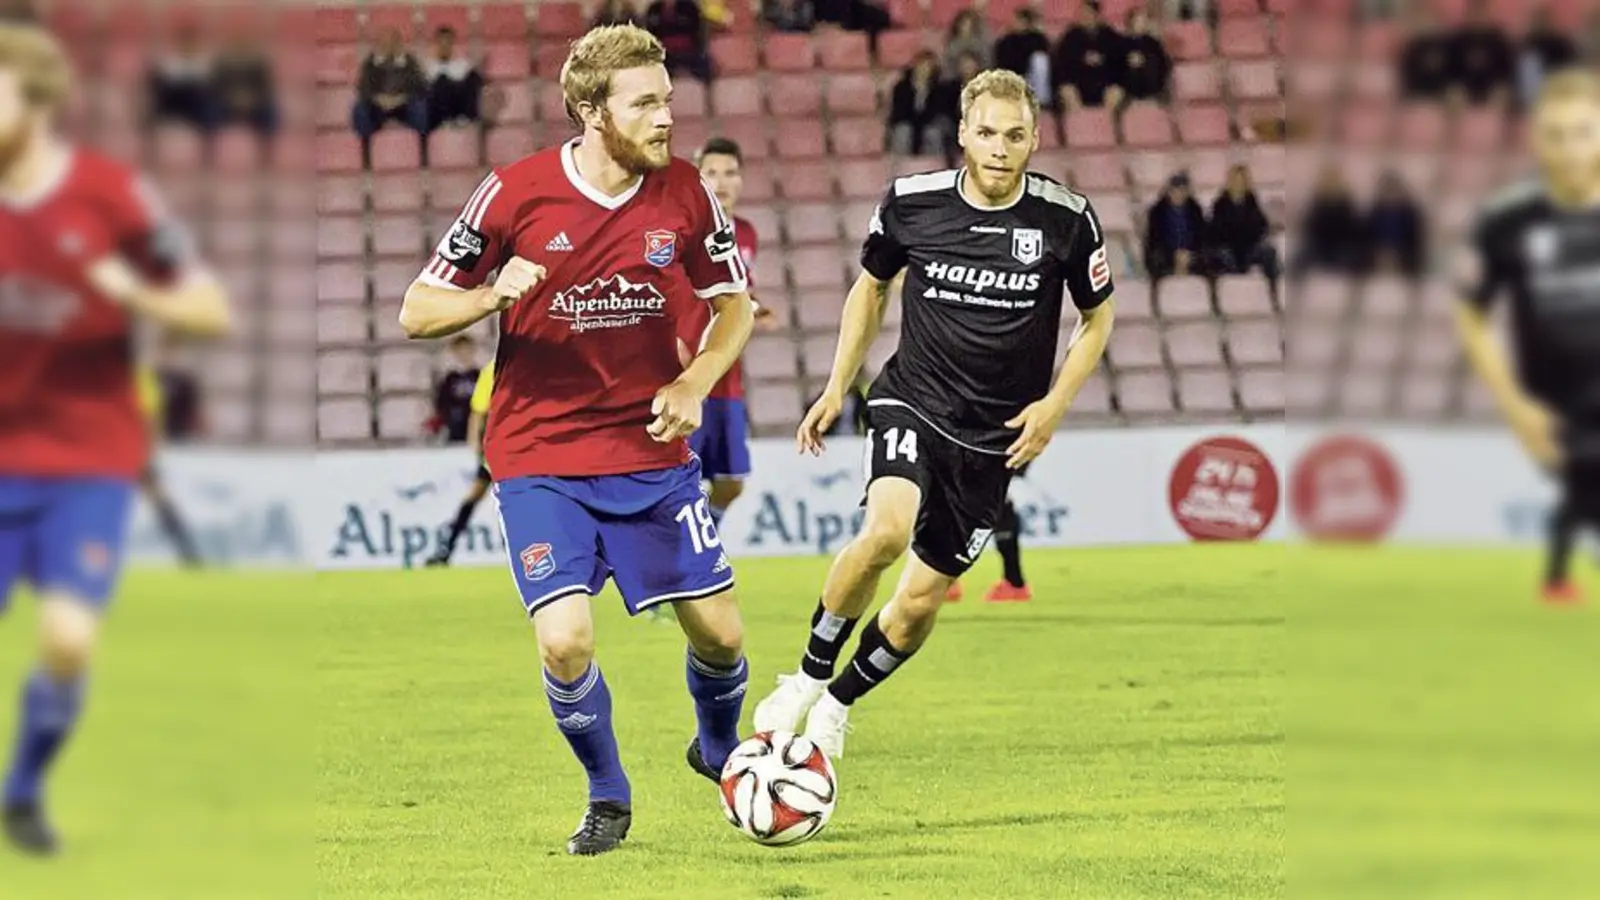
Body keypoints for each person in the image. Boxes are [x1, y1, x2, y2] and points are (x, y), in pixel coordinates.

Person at [397, 25, 755, 855]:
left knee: (724, 636)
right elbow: (417, 311)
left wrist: (694, 381)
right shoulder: (513, 194)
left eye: (667, 99)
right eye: (646, 104)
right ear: (593, 111)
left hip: (651, 454)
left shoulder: (687, 193)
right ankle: (608, 794)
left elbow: (731, 304)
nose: (666, 117)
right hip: (541, 460)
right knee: (564, 639)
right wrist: (489, 295)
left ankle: (716, 746)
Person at [750, 69, 1116, 758]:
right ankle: (804, 676)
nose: (1000, 148)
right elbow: (872, 288)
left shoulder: (1067, 219)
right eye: (986, 133)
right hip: (911, 398)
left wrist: (1054, 406)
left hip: (993, 438)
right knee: (885, 532)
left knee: (918, 604)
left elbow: (1097, 319)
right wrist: (837, 386)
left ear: (1035, 138)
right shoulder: (912, 203)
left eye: (1014, 135)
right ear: (962, 136)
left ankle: (836, 703)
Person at [0, 22, 231, 854]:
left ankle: (22, 792)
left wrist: (131, 291)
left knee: (66, 640)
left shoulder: (111, 195)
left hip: (85, 463)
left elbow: (206, 308)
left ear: (35, 100)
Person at [1454, 69, 1600, 605]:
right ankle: (1558, 580)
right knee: (1583, 490)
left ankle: (1557, 580)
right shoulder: (1507, 220)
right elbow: (1470, 311)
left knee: (1582, 497)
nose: (1570, 149)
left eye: (1583, 132)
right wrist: (1514, 406)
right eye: (1555, 135)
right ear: (1537, 140)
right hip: (1560, 406)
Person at [684, 137, 768, 527]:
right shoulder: (684, 231)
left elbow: (738, 293)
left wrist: (756, 309)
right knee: (677, 479)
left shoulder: (746, 232)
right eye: (711, 173)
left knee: (732, 481)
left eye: (730, 173)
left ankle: (704, 535)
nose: (721, 182)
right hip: (687, 375)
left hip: (728, 379)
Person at [425, 359, 495, 568]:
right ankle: (446, 549)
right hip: (500, 447)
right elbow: (479, 412)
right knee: (475, 495)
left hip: (520, 446)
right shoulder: (492, 370)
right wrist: (475, 443)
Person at [351, 28, 428, 148]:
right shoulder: (371, 63)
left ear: (399, 44)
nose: (389, 46)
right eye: (385, 43)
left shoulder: (410, 62)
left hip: (403, 106)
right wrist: (378, 99)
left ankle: (423, 147)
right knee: (359, 109)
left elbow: (421, 87)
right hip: (378, 107)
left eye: (392, 42)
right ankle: (365, 149)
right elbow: (363, 88)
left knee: (421, 108)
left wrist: (401, 98)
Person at [1210, 164, 1279, 280]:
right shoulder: (1220, 204)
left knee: (1268, 251)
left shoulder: (1252, 202)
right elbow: (1217, 232)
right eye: (1236, 180)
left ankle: (1274, 287)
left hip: (1249, 248)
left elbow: (1262, 226)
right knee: (1220, 255)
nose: (1239, 184)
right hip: (1229, 249)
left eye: (1242, 180)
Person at [1053, 0, 1123, 111]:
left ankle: (1104, 125)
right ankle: (1079, 125)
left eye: (1088, 13)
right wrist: (1082, 59)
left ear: (1097, 15)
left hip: (1104, 81)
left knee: (1116, 92)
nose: (1084, 16)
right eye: (1082, 13)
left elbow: (1118, 60)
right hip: (1077, 81)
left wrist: (1102, 59)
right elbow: (1062, 62)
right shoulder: (1071, 36)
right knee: (1067, 91)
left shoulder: (1110, 35)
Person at [1143, 172, 1209, 280]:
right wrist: (1174, 256)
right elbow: (1153, 242)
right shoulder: (1157, 213)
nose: (1178, 194)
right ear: (1168, 191)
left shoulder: (1196, 211)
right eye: (1175, 190)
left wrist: (1189, 254)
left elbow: (1202, 239)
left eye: (1182, 190)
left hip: (1192, 258)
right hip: (1165, 259)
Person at [1363, 170, 1426, 278]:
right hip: (1379, 254)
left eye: (1394, 188)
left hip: (1404, 257)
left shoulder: (1409, 212)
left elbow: (1415, 239)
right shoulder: (1375, 211)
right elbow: (1368, 238)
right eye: (1388, 188)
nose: (1391, 192)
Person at [888, 51, 950, 156]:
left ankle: (935, 167)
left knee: (933, 133)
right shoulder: (902, 87)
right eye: (922, 66)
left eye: (928, 67)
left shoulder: (938, 89)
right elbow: (899, 112)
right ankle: (901, 168)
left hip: (928, 124)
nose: (924, 70)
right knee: (903, 132)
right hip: (907, 122)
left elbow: (936, 112)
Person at [423, 26, 484, 130]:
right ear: (436, 44)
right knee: (441, 80)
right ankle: (445, 119)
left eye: (448, 42)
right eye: (441, 42)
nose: (444, 46)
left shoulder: (462, 64)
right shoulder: (429, 65)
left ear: (452, 43)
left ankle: (466, 117)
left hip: (459, 104)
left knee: (474, 76)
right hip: (438, 107)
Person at [993, 7, 1053, 103]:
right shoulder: (1006, 40)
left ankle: (1042, 100)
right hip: (1012, 78)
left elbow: (1046, 55)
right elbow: (1002, 63)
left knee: (1040, 59)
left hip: (1032, 79)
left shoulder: (1037, 39)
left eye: (1020, 21)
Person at [429, 334, 480, 444]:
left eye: (467, 350)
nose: (464, 354)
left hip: (477, 425)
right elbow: (442, 403)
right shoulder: (450, 379)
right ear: (455, 352)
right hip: (456, 426)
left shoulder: (480, 376)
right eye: (460, 350)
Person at [645, 0, 713, 82]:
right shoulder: (654, 9)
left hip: (687, 53)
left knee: (703, 65)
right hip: (662, 54)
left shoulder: (690, 8)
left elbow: (698, 35)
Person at [1115, 9, 1170, 105]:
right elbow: (1116, 62)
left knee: (1153, 62)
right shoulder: (1122, 41)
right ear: (1131, 23)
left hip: (1152, 81)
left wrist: (1145, 60)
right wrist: (1129, 60)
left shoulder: (1153, 41)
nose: (1143, 23)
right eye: (1140, 21)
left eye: (1145, 21)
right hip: (1130, 82)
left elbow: (1163, 62)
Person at [942, 10, 992, 80]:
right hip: (956, 81)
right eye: (964, 24)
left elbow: (987, 63)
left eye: (969, 24)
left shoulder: (981, 44)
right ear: (958, 25)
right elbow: (947, 68)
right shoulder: (952, 45)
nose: (966, 27)